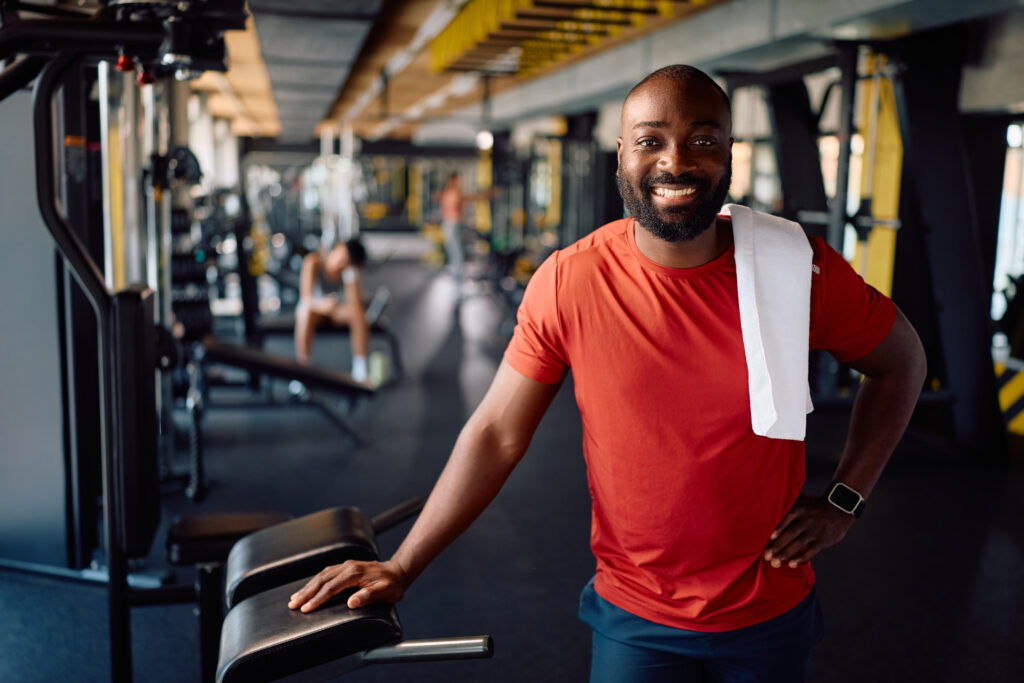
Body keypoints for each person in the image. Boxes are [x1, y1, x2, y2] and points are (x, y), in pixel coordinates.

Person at [288, 65, 926, 681]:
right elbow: (495, 434)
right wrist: (403, 565)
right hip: (635, 615)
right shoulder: (570, 280)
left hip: (769, 611)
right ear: (621, 155)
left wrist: (846, 499)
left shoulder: (798, 267)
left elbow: (902, 362)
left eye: (702, 140)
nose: (676, 162)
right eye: (651, 141)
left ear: (729, 151)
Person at [294, 237, 371, 383]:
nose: (341, 263)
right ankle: (302, 372)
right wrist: (321, 305)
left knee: (357, 312)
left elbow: (354, 303)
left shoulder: (347, 272)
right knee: (303, 310)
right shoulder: (313, 262)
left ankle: (360, 370)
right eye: (342, 257)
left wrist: (351, 275)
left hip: (335, 312)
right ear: (338, 247)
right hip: (315, 310)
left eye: (346, 262)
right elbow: (305, 298)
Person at [438, 171, 493, 298]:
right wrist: (485, 194)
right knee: (457, 256)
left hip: (452, 226)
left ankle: (458, 288)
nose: (461, 182)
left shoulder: (450, 193)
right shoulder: (453, 193)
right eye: (459, 180)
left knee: (456, 256)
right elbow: (469, 198)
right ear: (453, 180)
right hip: (453, 226)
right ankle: (458, 290)